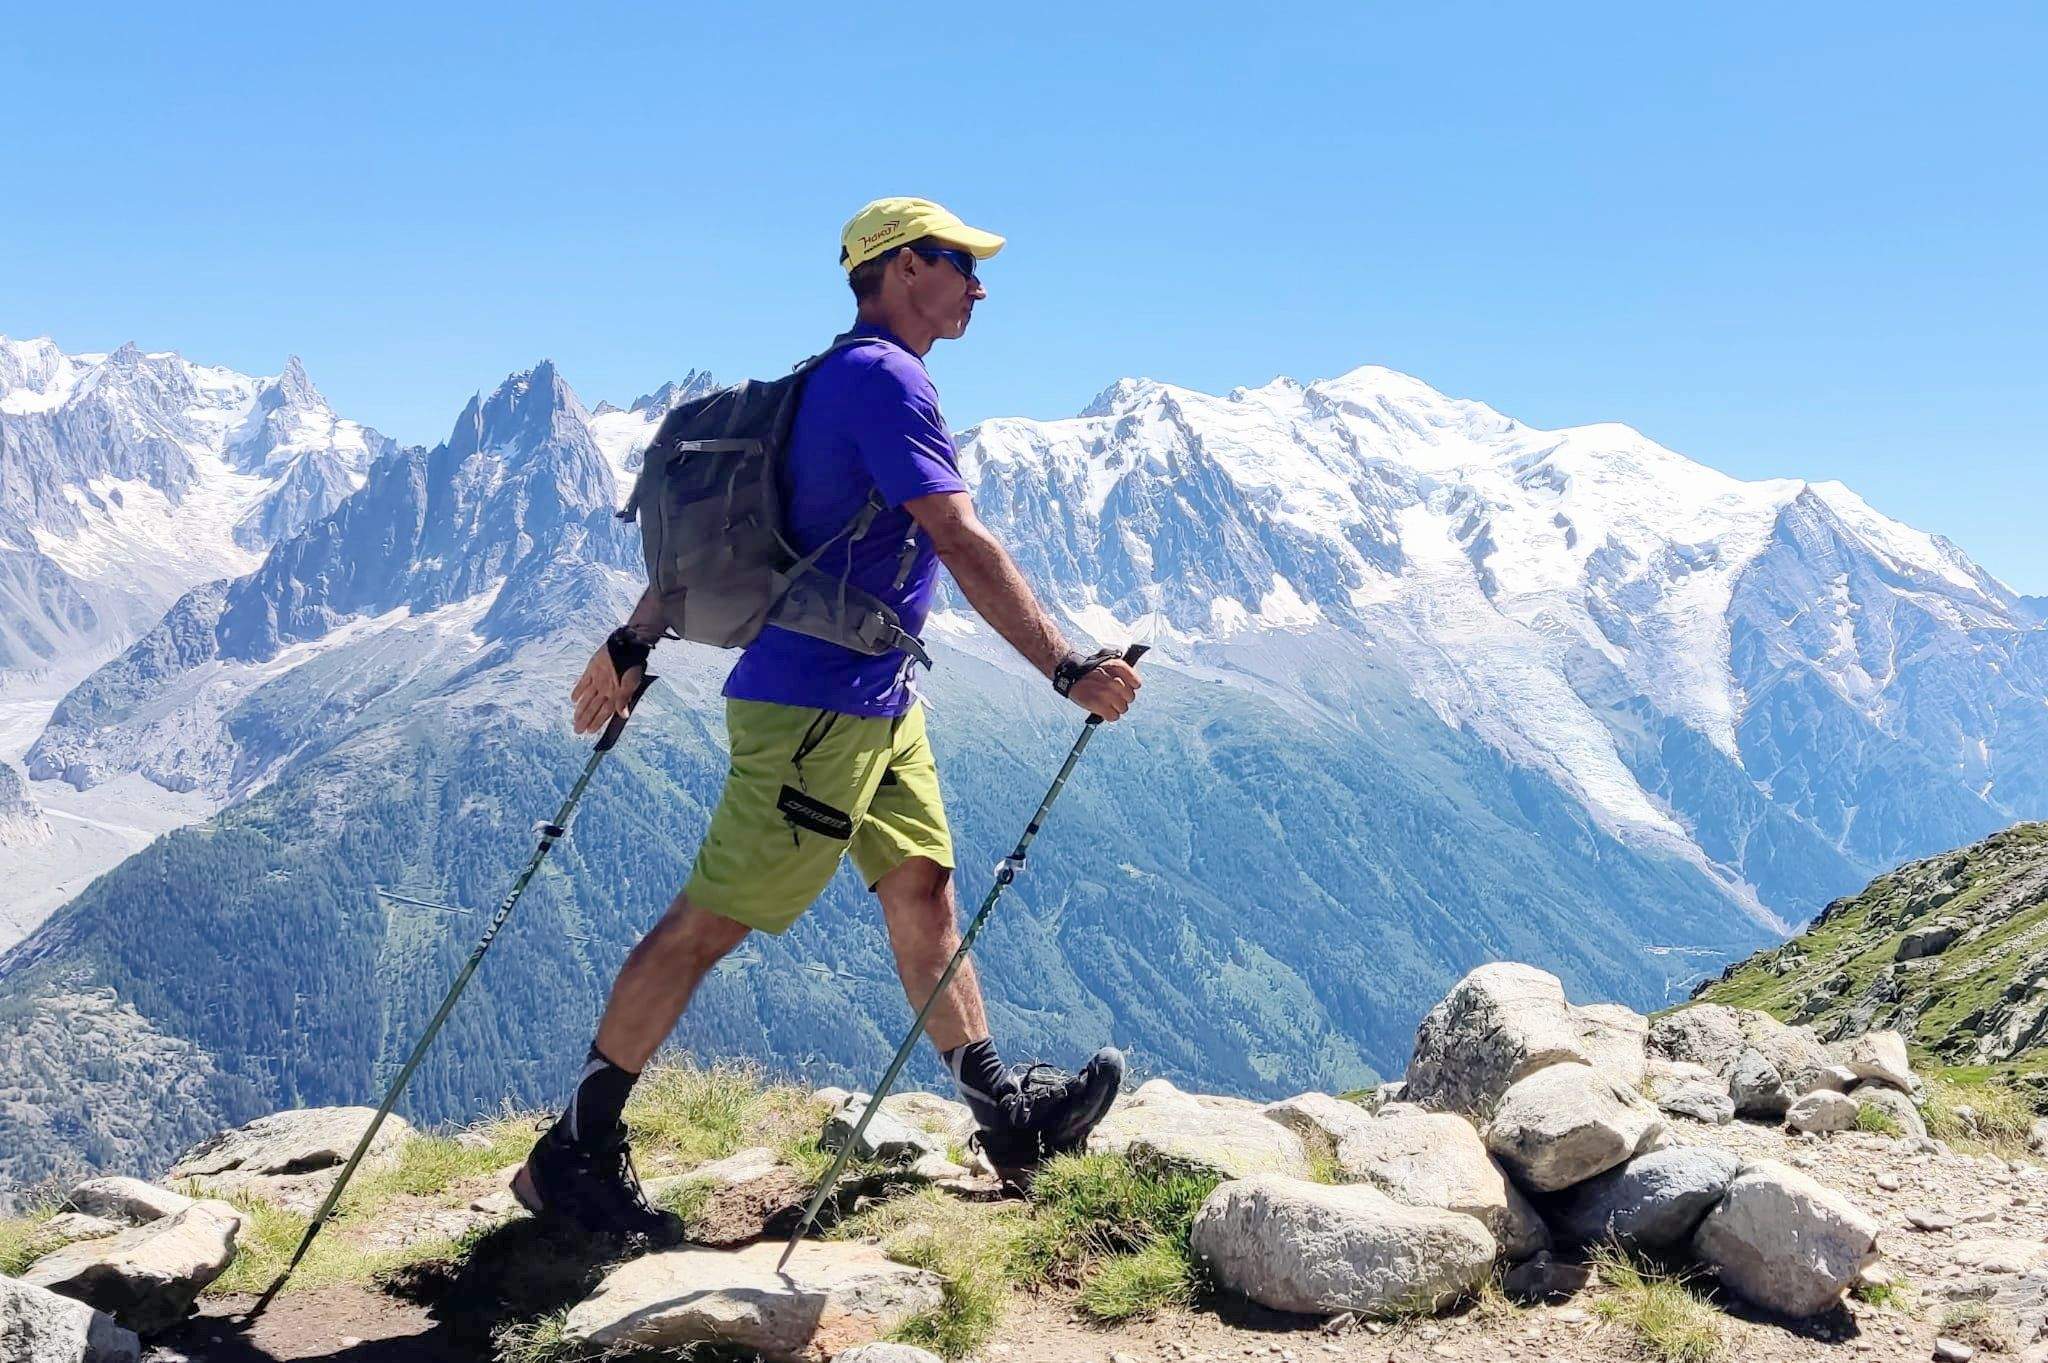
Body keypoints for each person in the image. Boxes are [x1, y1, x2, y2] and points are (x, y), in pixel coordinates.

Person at [514, 197, 1144, 1240]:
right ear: (901, 268)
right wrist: (1066, 665)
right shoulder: (882, 381)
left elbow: (752, 538)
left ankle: (1006, 1117)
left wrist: (635, 638)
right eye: (959, 263)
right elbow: (956, 533)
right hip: (815, 712)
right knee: (705, 923)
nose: (978, 285)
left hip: (875, 698)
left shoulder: (832, 381)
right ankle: (571, 1153)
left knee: (921, 888)